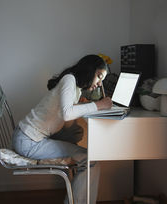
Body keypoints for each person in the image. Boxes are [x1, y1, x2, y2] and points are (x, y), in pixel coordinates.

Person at [12, 54, 112, 204]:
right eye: (99, 76)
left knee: (77, 132)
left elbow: (65, 113)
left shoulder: (74, 84)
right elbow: (66, 114)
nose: (99, 84)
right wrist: (99, 105)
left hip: (27, 136)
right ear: (89, 70)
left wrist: (85, 106)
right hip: (29, 142)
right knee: (90, 160)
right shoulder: (69, 80)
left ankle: (77, 190)